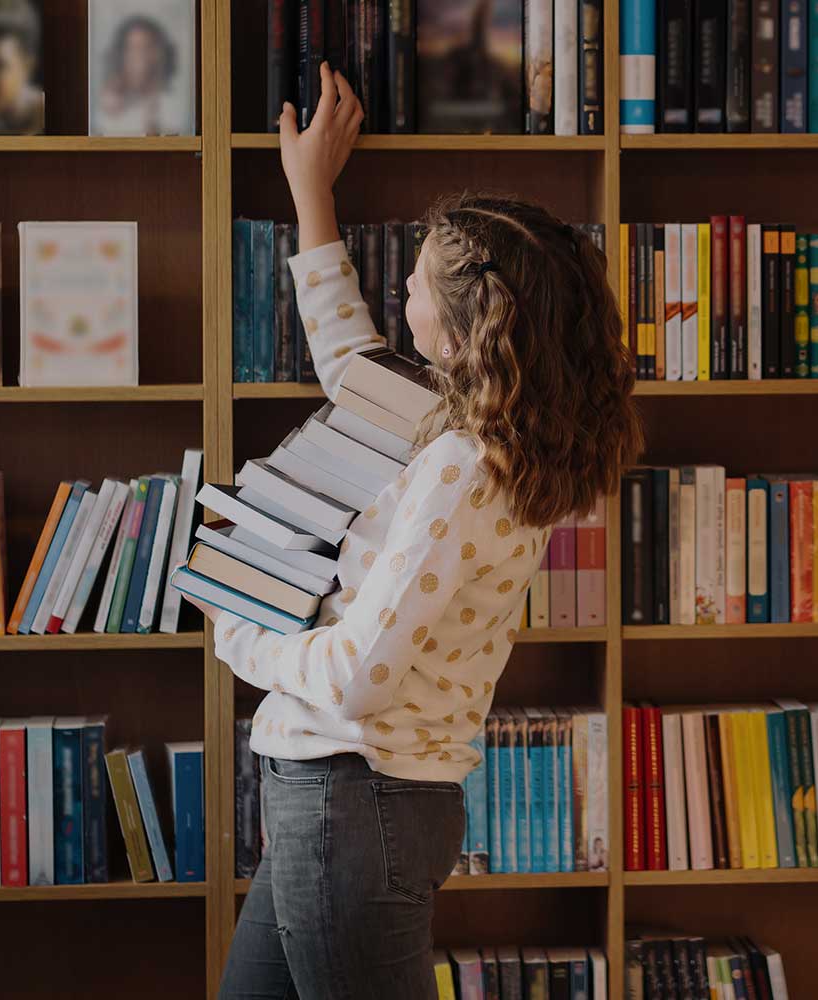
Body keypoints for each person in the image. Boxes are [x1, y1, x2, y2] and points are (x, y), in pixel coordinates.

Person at [193, 63, 642, 999]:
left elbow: (358, 678)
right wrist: (311, 193)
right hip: (344, 799)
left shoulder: (459, 467)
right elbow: (349, 357)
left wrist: (235, 625)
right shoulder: (476, 429)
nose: (400, 295)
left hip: (355, 799)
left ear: (464, 329)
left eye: (417, 289)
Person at [96, 15, 190, 136]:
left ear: (159, 54)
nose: (139, 56)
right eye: (132, 48)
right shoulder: (109, 104)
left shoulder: (173, 107)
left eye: (146, 47)